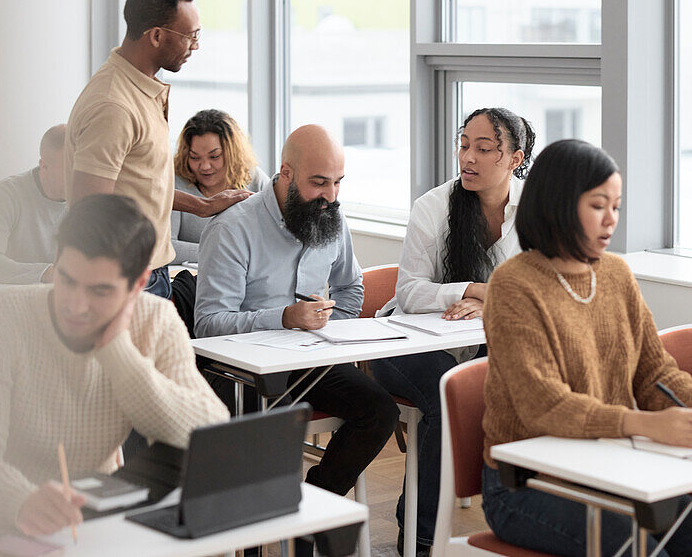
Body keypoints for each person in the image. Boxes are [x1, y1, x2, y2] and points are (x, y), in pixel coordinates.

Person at [481, 139, 692, 557]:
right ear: (559, 204)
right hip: (525, 484)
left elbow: (654, 372)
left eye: (616, 207)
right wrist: (648, 425)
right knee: (639, 550)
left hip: (611, 467)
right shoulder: (514, 284)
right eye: (599, 205)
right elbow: (543, 405)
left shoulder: (616, 274)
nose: (611, 220)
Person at [0, 194, 229, 538]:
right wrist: (21, 500)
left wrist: (117, 350)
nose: (76, 305)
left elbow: (210, 433)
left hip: (91, 521)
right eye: (68, 280)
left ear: (138, 284)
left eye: (100, 291)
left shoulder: (156, 319)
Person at [194, 124, 398, 500]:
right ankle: (275, 523)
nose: (331, 196)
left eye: (338, 182)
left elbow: (350, 288)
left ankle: (314, 507)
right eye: (319, 182)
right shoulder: (233, 228)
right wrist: (284, 318)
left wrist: (328, 332)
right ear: (286, 172)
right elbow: (208, 326)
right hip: (241, 368)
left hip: (307, 358)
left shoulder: (332, 215)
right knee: (280, 419)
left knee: (379, 411)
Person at [370, 107, 534, 557]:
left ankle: (526, 521)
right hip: (399, 341)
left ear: (515, 158)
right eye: (464, 145)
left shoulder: (535, 209)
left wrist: (487, 300)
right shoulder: (434, 207)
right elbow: (409, 293)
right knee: (448, 395)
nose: (469, 157)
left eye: (484, 149)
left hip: (476, 342)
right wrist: (477, 289)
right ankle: (420, 536)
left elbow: (538, 289)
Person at [65, 0, 250, 300]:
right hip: (127, 281)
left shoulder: (141, 91)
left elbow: (140, 185)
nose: (195, 45)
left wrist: (202, 206)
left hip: (153, 272)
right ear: (156, 36)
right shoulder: (114, 105)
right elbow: (90, 211)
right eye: (190, 36)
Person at [0, 124, 68, 284]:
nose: (77, 176)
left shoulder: (87, 198)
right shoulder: (5, 194)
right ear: (44, 166)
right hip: (5, 297)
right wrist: (46, 273)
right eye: (68, 169)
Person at [170, 109, 271, 266]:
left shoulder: (255, 179)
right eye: (195, 157)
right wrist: (228, 253)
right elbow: (167, 248)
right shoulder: (175, 183)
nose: (204, 166)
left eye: (214, 156)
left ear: (233, 153)